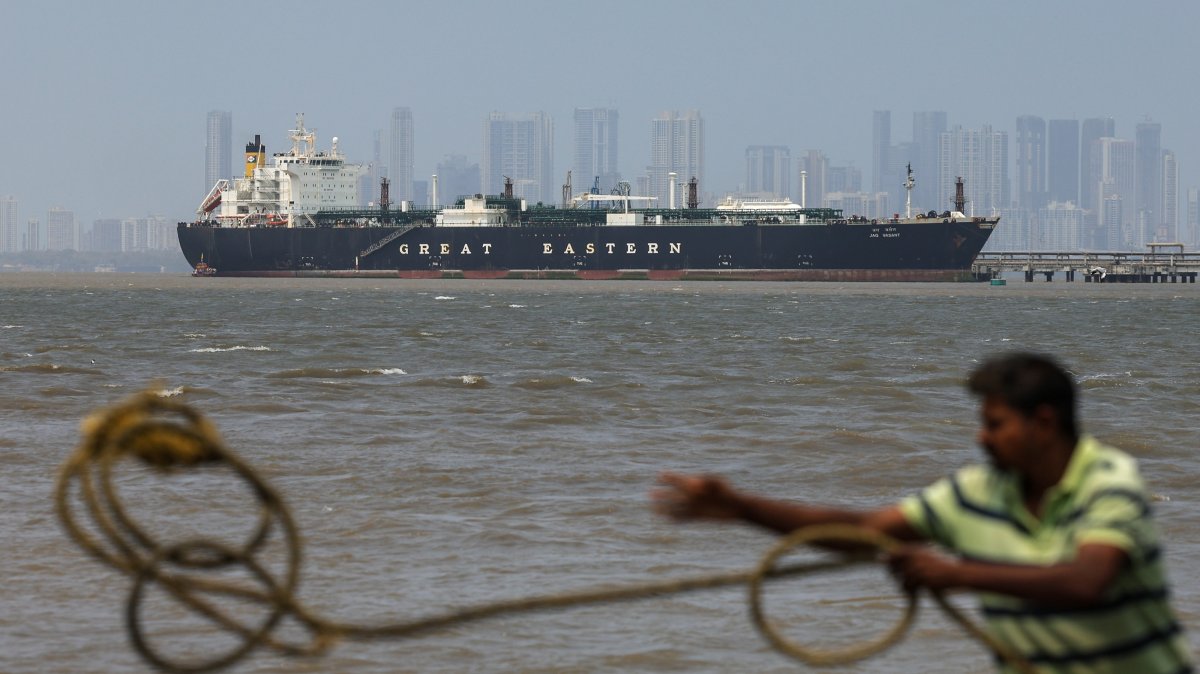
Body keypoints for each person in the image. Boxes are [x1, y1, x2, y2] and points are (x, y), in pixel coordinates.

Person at [654, 352, 1192, 673]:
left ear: (1044, 423)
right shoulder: (975, 492)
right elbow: (866, 533)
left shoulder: (1108, 480)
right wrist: (740, 506)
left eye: (996, 424)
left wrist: (957, 575)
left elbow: (1089, 580)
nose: (981, 438)